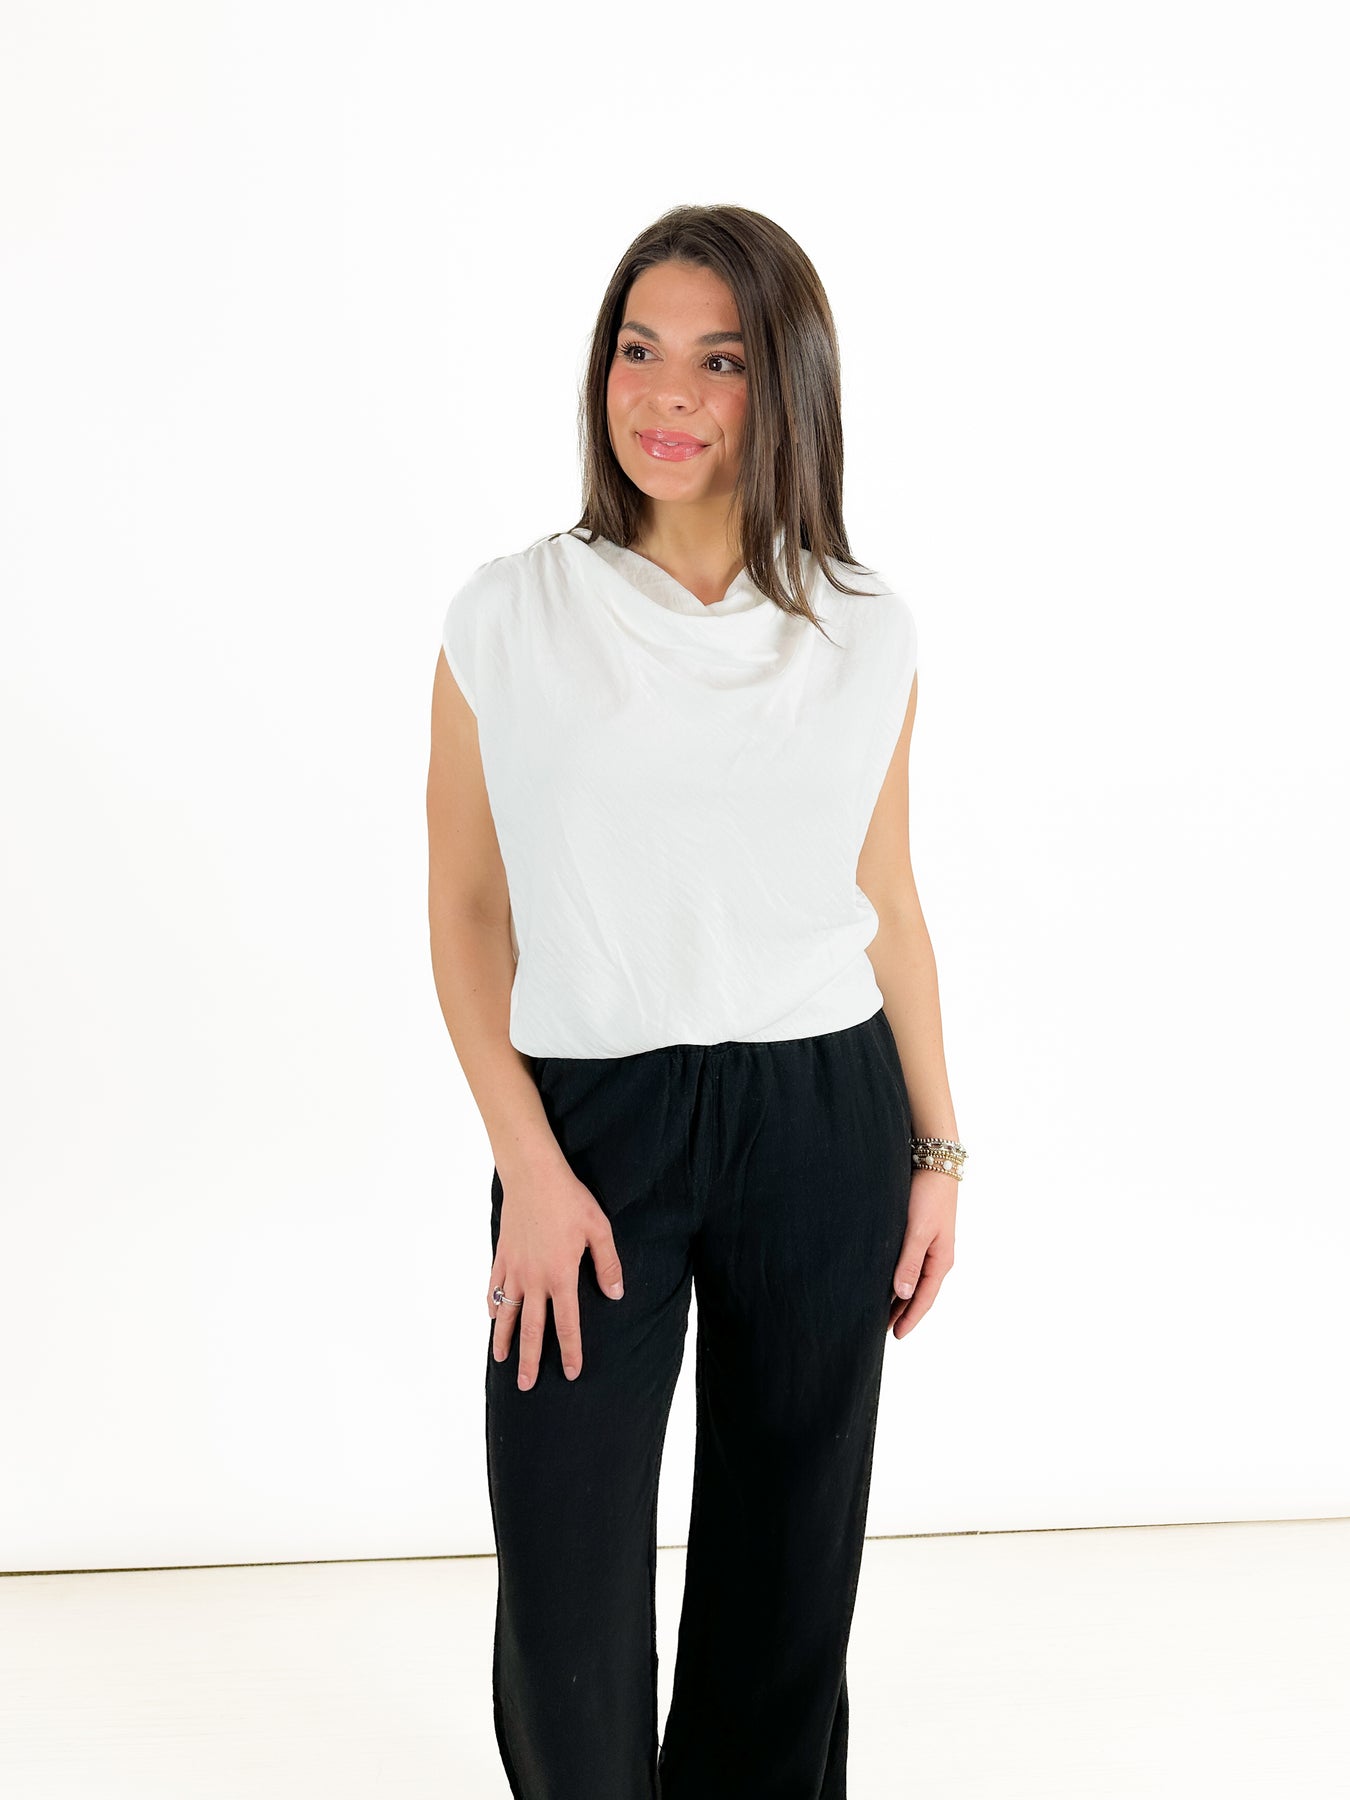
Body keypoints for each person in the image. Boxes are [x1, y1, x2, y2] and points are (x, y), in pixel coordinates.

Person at [426, 202, 965, 1800]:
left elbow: (888, 903)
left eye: (717, 362)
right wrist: (528, 1165)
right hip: (592, 1119)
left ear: (784, 383)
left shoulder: (864, 628)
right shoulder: (509, 612)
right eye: (637, 351)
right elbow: (467, 909)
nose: (665, 395)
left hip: (822, 1107)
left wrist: (937, 1151)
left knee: (789, 1550)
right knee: (567, 1553)